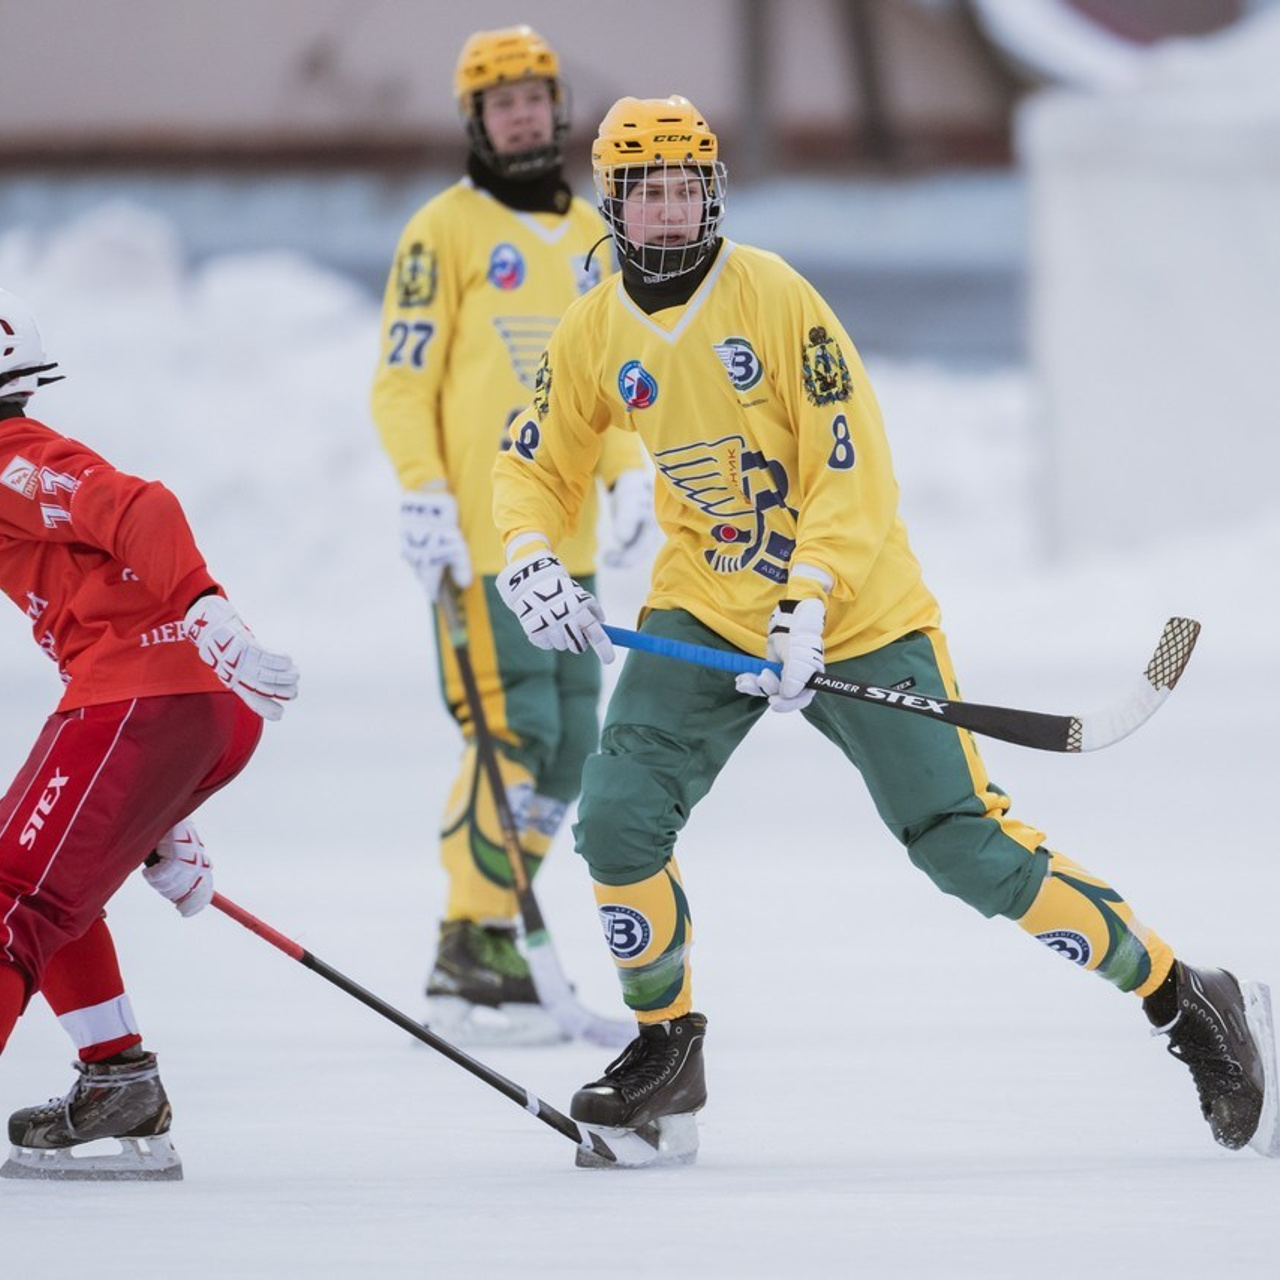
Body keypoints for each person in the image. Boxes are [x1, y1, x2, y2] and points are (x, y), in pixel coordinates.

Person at [490, 96, 1279, 1164]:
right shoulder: (594, 327)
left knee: (963, 849)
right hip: (707, 611)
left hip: (855, 611)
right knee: (619, 816)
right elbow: (535, 460)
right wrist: (528, 550)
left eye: (686, 189)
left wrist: (807, 603)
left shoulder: (773, 297)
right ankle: (666, 1049)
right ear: (614, 204)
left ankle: (1186, 998)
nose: (670, 211)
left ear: (711, 194)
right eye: (649, 193)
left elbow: (849, 465)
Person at [370, 25, 654, 1045]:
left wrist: (627, 475)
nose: (524, 116)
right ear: (476, 121)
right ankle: (467, 938)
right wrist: (422, 491)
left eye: (536, 98)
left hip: (563, 543)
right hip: (481, 542)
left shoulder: (590, 238)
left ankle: (494, 928)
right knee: (511, 732)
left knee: (571, 747)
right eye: (503, 104)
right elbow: (402, 380)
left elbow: (603, 388)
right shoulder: (442, 231)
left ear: (558, 107)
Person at [0, 288, 299, 1180]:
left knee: (12, 897)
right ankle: (117, 1077)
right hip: (171, 708)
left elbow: (140, 506)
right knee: (54, 887)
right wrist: (155, 809)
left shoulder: (11, 459)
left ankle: (116, 1071)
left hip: (148, 697)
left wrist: (205, 606)